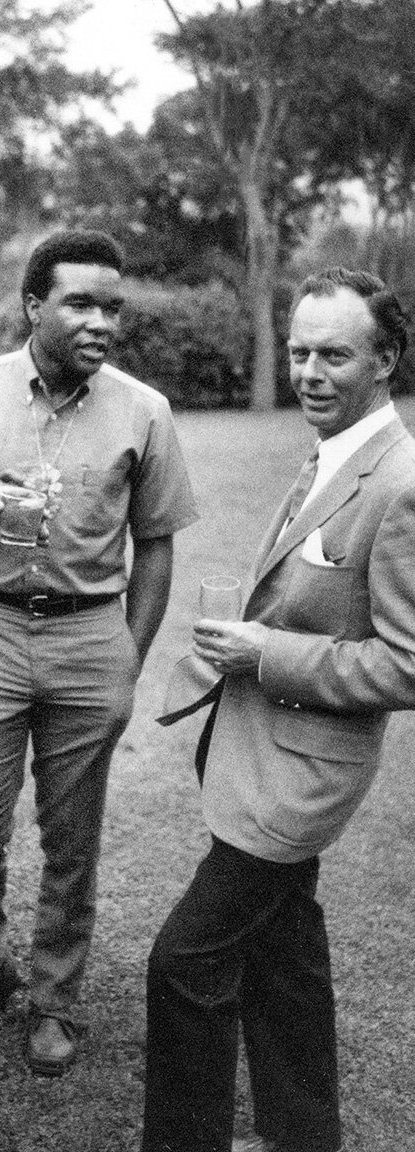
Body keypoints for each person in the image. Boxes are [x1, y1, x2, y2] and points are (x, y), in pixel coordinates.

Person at [143, 268, 415, 1152]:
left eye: (334, 354)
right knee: (285, 953)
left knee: (185, 963)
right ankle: (305, 1134)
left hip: (301, 777)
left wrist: (269, 654)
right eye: (299, 351)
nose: (308, 372)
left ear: (387, 360)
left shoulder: (401, 482)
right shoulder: (332, 453)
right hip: (258, 752)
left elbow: (406, 665)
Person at [0, 229, 198, 1075]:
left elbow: (155, 544)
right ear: (34, 305)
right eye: (81, 302)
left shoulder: (143, 410)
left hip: (88, 637)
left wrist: (129, 656)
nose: (101, 321)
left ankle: (56, 998)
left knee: (73, 838)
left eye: (113, 306)